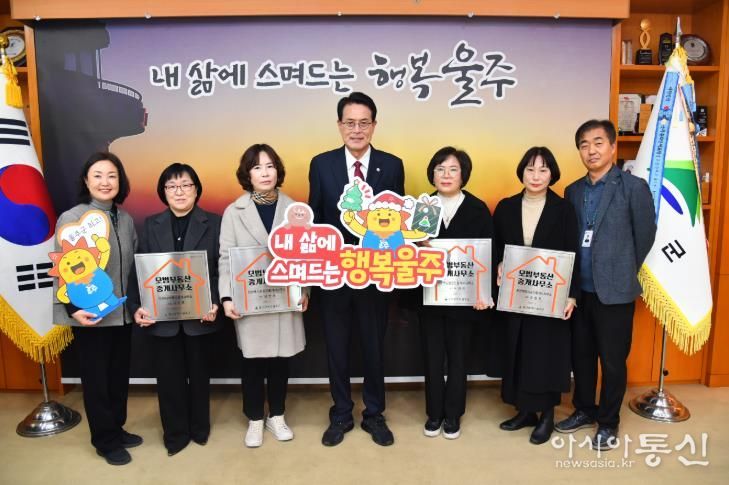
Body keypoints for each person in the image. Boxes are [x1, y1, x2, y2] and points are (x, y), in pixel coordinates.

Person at [309, 91, 404, 447]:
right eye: (350, 123)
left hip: (375, 275)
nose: (357, 129)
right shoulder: (322, 164)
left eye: (364, 123)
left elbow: (398, 219)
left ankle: (374, 414)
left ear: (374, 125)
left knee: (373, 346)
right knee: (336, 347)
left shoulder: (392, 165)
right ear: (339, 125)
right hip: (334, 275)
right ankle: (341, 414)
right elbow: (317, 218)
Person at [556, 120, 656, 450]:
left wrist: (621, 268)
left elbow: (645, 236)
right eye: (584, 145)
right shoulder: (573, 191)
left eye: (598, 143)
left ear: (613, 147)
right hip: (578, 292)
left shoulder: (633, 187)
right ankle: (584, 409)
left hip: (615, 291)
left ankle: (608, 421)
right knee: (581, 357)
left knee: (612, 361)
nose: (591, 150)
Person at [127, 163, 222, 456]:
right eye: (171, 186)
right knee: (169, 380)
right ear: (163, 192)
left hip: (201, 316)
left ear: (196, 189)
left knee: (200, 376)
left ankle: (200, 429)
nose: (179, 192)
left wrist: (215, 301)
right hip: (162, 320)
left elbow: (221, 269)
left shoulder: (214, 223)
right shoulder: (151, 224)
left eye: (185, 185)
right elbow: (140, 270)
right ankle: (175, 434)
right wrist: (136, 307)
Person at [52, 152, 141, 466]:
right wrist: (72, 307)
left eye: (112, 175)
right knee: (97, 382)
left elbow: (132, 264)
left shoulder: (125, 218)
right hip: (90, 315)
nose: (106, 182)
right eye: (98, 175)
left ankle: (116, 428)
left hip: (122, 313)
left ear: (120, 181)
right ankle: (105, 441)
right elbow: (62, 268)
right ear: (86, 181)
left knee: (118, 377)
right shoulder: (72, 218)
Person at [219, 144, 308, 448]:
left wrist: (304, 290)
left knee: (281, 361)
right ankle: (255, 418)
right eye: (257, 167)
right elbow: (225, 258)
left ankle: (277, 415)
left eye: (270, 166)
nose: (265, 172)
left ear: (277, 170)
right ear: (248, 174)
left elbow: (305, 256)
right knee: (253, 362)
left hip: (285, 296)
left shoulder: (295, 209)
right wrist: (226, 297)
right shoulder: (234, 211)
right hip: (250, 297)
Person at [493, 146, 579, 445]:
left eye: (543, 170)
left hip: (550, 293)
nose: (536, 176)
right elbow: (496, 246)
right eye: (530, 169)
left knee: (544, 354)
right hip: (515, 293)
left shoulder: (564, 209)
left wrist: (572, 295)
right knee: (518, 350)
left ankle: (547, 416)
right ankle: (525, 411)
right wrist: (499, 263)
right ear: (522, 172)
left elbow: (573, 252)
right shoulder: (506, 207)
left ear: (552, 174)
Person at [419, 147, 493, 440]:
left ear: (463, 175)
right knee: (432, 357)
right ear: (432, 174)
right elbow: (408, 250)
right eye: (440, 169)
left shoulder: (477, 208)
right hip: (430, 296)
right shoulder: (422, 208)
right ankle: (434, 413)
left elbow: (487, 253)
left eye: (453, 169)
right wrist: (419, 246)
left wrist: (483, 293)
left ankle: (453, 415)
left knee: (459, 357)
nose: (446, 175)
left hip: (464, 299)